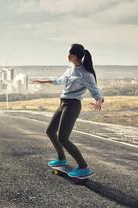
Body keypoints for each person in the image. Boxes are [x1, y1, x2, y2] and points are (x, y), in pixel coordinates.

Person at [33, 44, 104, 177]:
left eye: (68, 53)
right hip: (63, 103)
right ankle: (61, 158)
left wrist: (99, 100)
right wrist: (43, 81)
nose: (67, 55)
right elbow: (60, 80)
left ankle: (84, 167)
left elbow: (95, 91)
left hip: (72, 105)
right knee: (50, 131)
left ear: (72, 56)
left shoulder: (86, 74)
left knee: (63, 138)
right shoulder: (70, 67)